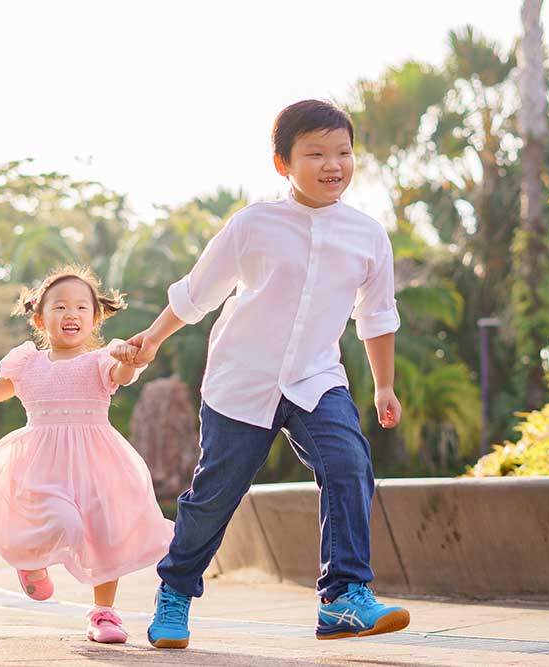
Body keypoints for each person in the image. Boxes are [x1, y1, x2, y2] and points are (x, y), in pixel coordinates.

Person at [114, 99, 411, 648]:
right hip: (240, 381)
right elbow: (197, 293)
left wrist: (385, 384)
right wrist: (151, 341)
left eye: (344, 152)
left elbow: (376, 315)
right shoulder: (253, 225)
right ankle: (175, 591)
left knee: (349, 462)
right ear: (282, 163)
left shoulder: (368, 235)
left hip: (315, 379)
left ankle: (343, 598)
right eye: (316, 153)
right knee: (214, 497)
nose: (333, 165)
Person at [0, 265, 173, 644]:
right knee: (64, 521)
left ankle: (104, 613)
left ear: (95, 317)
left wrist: (130, 363)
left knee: (105, 533)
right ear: (39, 317)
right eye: (60, 307)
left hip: (96, 461)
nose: (72, 314)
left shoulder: (100, 360)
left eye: (82, 308)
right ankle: (31, 563)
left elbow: (122, 374)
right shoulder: (27, 363)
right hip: (43, 463)